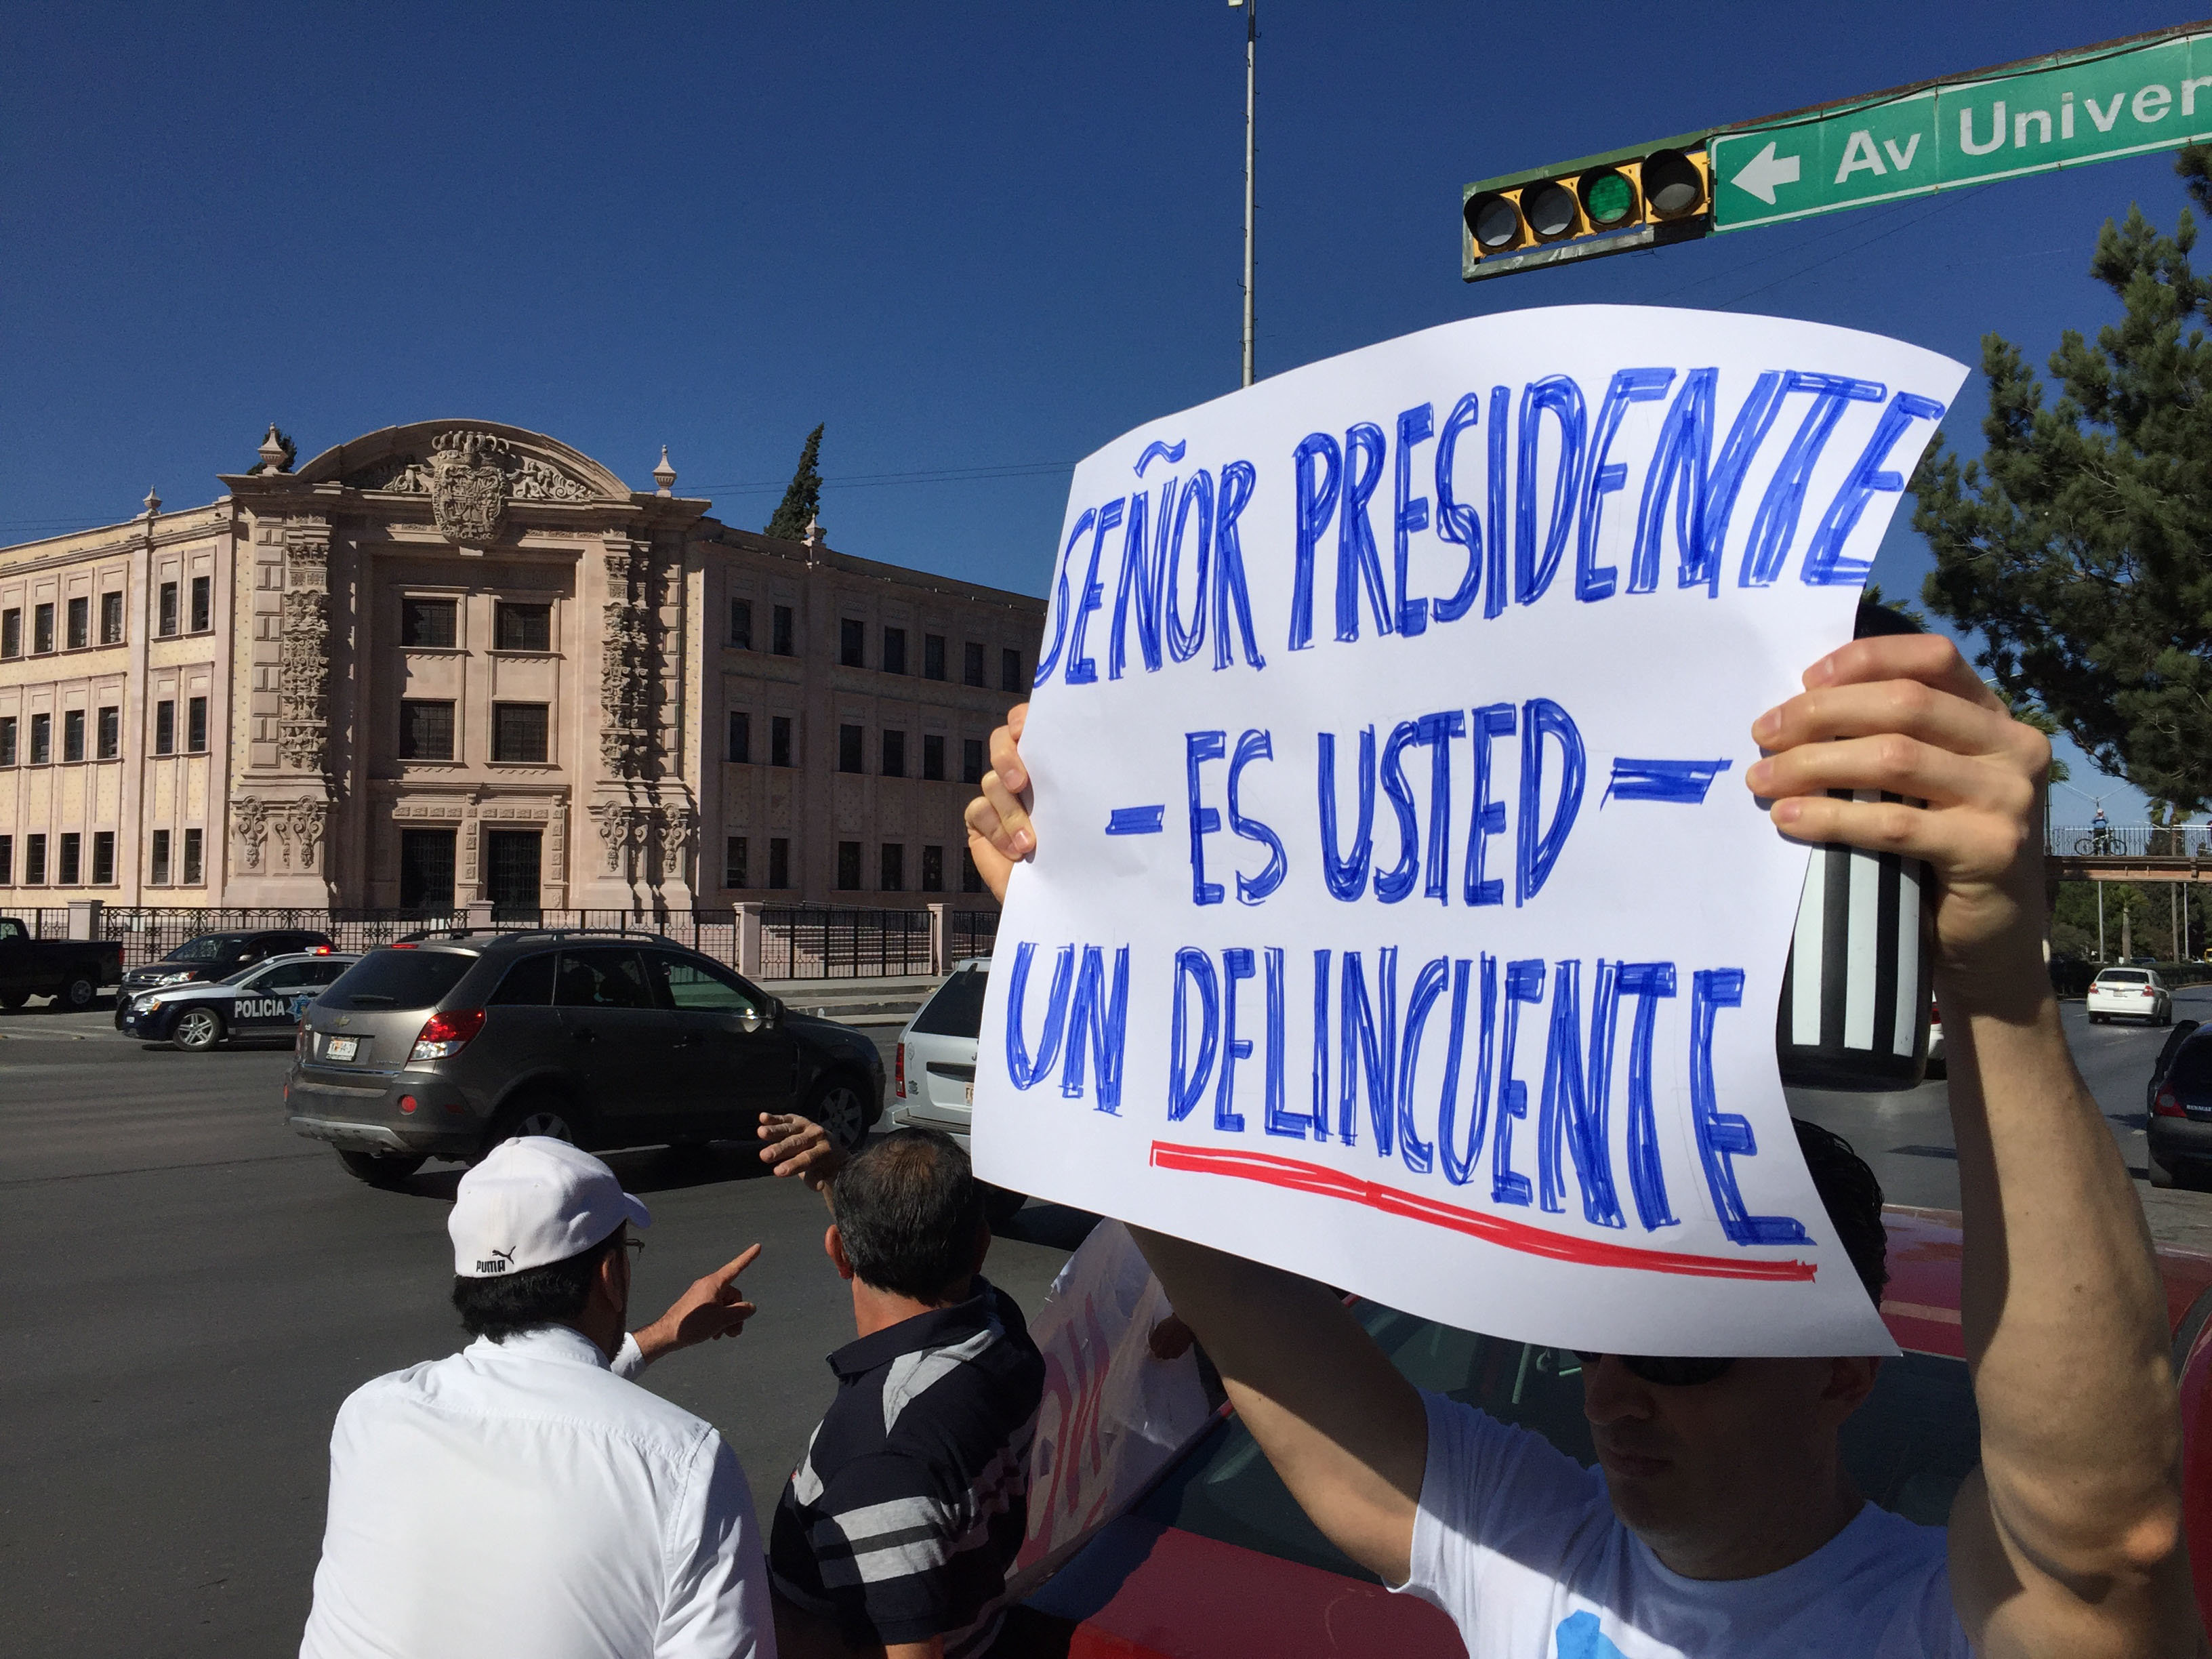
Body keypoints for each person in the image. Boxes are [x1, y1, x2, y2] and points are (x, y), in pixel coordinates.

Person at [960, 635, 2196, 1657]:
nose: (1609, 1389)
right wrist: (1091, 953)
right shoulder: (1535, 1538)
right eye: (1589, 1331)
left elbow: (2103, 1544)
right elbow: (1246, 1314)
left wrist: (1992, 985)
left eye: (1677, 1350)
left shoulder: (1933, 1620)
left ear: (1839, 1373)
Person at [300, 1136, 775, 1659]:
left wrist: (659, 1335)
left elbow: (542, 1394)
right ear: (611, 1275)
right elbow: (570, 1406)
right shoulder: (686, 1466)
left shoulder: (371, 1415)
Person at [752, 1124, 1044, 1659]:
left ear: (838, 1253)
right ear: (980, 1245)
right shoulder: (1001, 1327)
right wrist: (841, 1183)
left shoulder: (882, 1450)